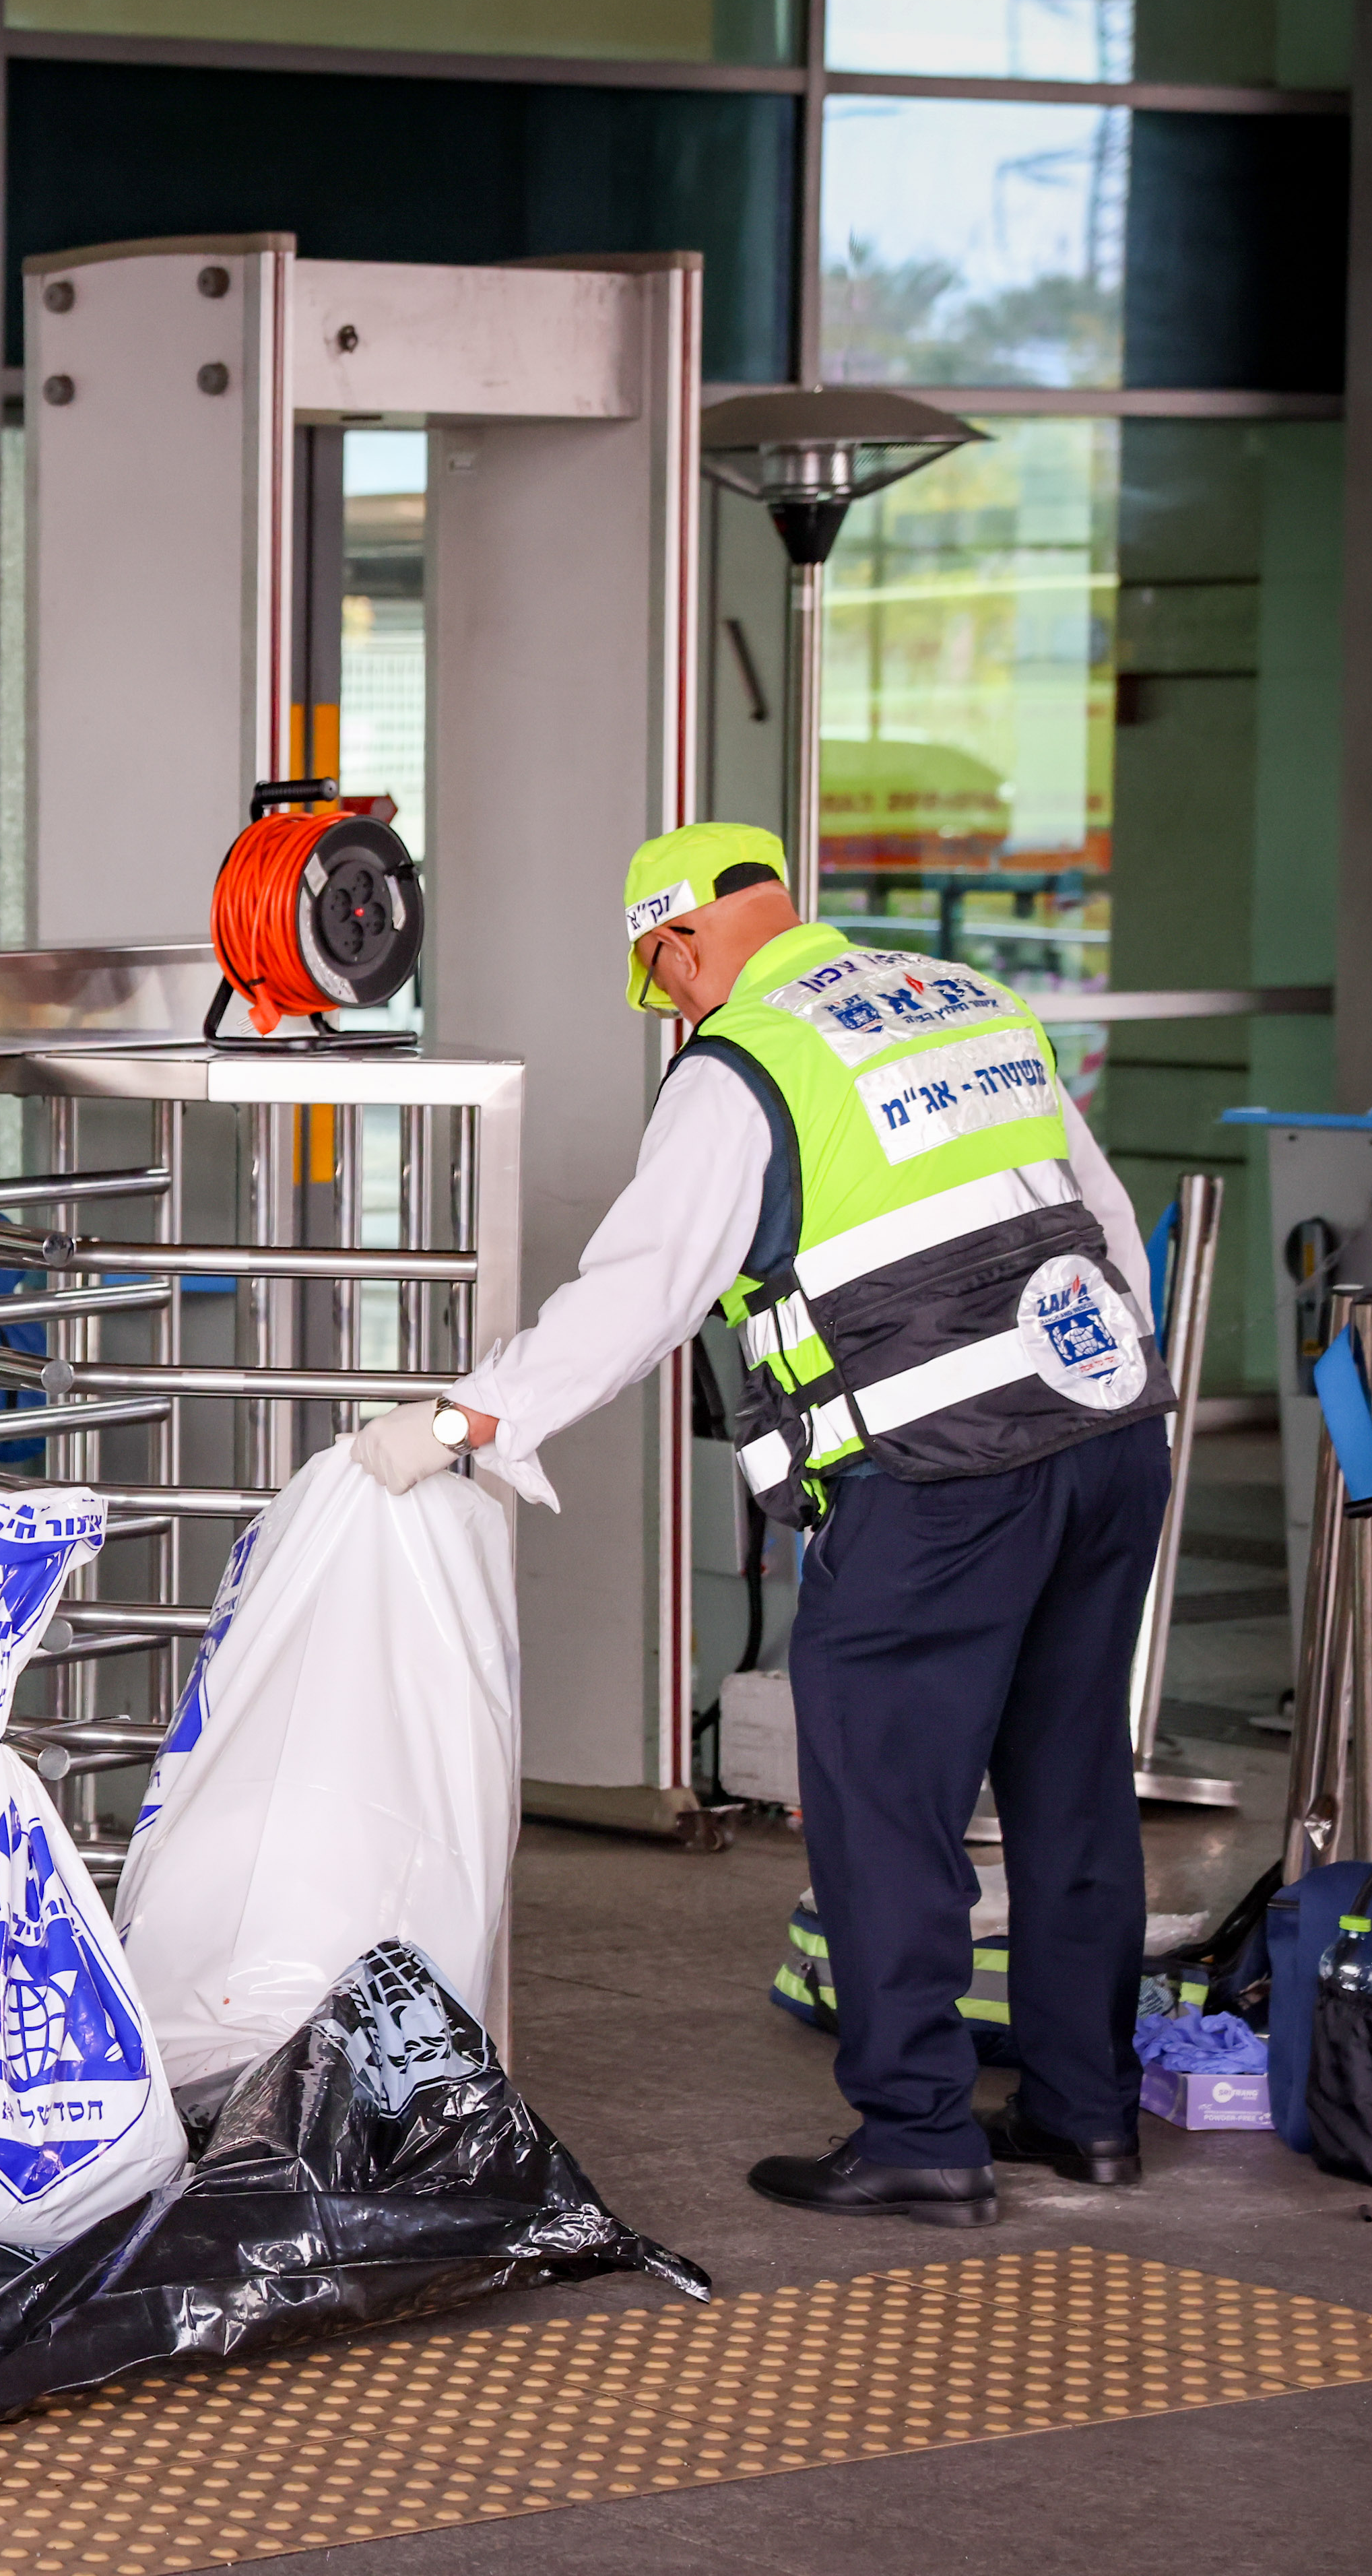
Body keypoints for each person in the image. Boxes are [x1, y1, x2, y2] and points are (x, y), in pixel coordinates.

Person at [344, 822, 1172, 2227]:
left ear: (677, 941)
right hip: (1104, 1437)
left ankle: (921, 2131)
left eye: (658, 979)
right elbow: (1105, 1218)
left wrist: (465, 1420)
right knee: (1072, 1782)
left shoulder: (745, 1064)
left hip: (941, 1476)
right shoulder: (964, 999)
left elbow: (642, 1290)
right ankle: (1086, 2113)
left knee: (887, 1801)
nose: (668, 1007)